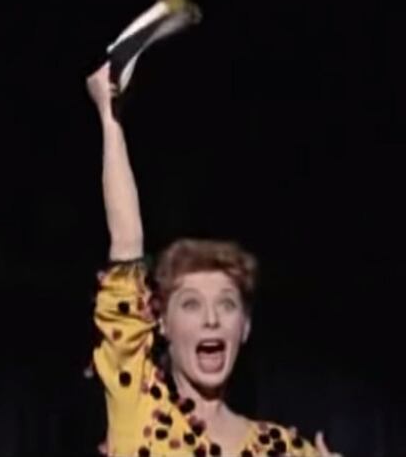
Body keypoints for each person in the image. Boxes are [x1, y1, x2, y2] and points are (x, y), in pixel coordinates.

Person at [86, 62, 341, 456]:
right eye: (191, 303)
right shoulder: (139, 408)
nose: (211, 319)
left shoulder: (287, 449)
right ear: (162, 323)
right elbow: (127, 244)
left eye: (227, 304)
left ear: (245, 327)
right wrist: (109, 118)